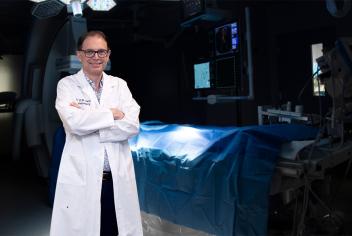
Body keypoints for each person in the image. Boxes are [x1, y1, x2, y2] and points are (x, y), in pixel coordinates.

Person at [50, 31, 143, 236]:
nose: (96, 57)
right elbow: (74, 124)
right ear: (80, 55)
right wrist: (111, 113)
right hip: (83, 178)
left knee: (114, 229)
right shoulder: (66, 85)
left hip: (115, 179)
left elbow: (132, 125)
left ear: (108, 54)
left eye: (101, 51)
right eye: (90, 52)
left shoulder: (119, 85)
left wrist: (90, 121)